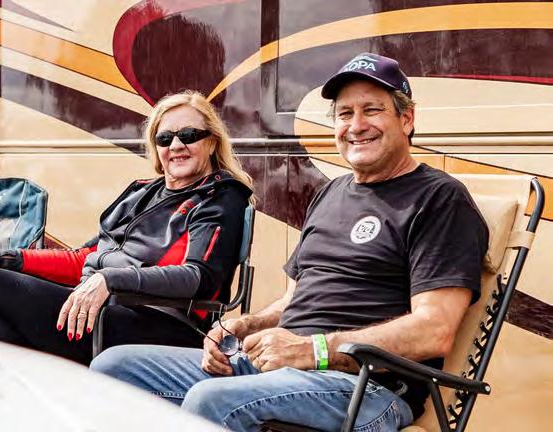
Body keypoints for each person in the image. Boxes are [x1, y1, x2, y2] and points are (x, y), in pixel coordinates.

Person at [91, 53, 489, 432]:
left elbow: (434, 329)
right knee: (113, 368)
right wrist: (243, 325)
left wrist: (314, 350)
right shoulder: (331, 193)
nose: (356, 125)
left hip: (367, 387)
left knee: (212, 400)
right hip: (281, 369)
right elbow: (292, 300)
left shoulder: (439, 199)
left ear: (406, 118)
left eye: (372, 110)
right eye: (344, 114)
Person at [0, 90, 254, 365]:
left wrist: (110, 279)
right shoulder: (141, 193)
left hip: (158, 325)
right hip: (101, 313)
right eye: (165, 138)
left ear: (212, 141)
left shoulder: (220, 197)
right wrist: (7, 259)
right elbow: (86, 257)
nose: (176, 145)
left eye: (189, 135)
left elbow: (198, 277)